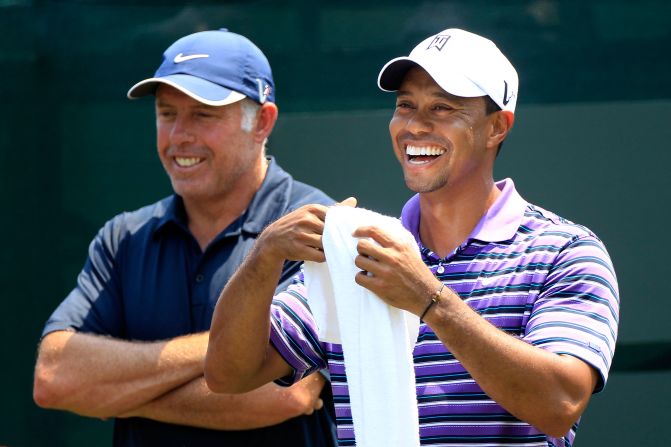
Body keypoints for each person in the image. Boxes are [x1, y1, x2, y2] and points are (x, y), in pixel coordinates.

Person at [204, 28, 620, 446]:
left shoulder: (566, 251)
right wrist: (265, 256)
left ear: (496, 128)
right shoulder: (359, 249)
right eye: (406, 105)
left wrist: (428, 299)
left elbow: (560, 404)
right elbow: (229, 374)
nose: (415, 126)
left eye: (442, 108)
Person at [33, 28, 338, 447]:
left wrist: (117, 393)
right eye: (166, 113)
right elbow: (54, 378)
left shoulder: (318, 227)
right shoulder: (124, 237)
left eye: (203, 114)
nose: (179, 135)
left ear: (262, 122)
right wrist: (224, 349)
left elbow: (283, 396)